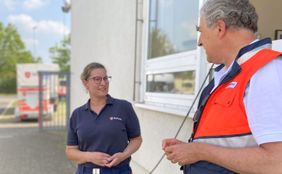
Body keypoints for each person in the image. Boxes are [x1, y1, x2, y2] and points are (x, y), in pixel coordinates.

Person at [162, 0, 282, 173]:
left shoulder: (266, 71)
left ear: (220, 28)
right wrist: (191, 149)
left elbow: (276, 163)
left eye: (200, 31)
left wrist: (201, 151)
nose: (199, 42)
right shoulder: (228, 75)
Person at [66, 62, 142, 174]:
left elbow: (136, 139)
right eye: (97, 79)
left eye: (106, 78)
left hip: (119, 170)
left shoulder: (123, 107)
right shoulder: (77, 114)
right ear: (85, 82)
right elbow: (70, 151)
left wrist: (123, 155)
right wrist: (90, 157)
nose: (103, 83)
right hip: (86, 171)